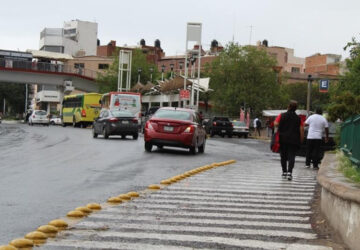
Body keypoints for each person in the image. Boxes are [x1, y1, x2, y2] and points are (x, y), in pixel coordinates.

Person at [274, 101, 304, 181]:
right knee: (292, 156)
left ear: (288, 106)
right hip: (294, 140)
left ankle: (284, 172)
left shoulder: (282, 115)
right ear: (296, 108)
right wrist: (301, 140)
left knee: (283, 156)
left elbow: (275, 123)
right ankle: (290, 172)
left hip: (282, 139)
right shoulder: (298, 118)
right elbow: (301, 130)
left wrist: (281, 124)